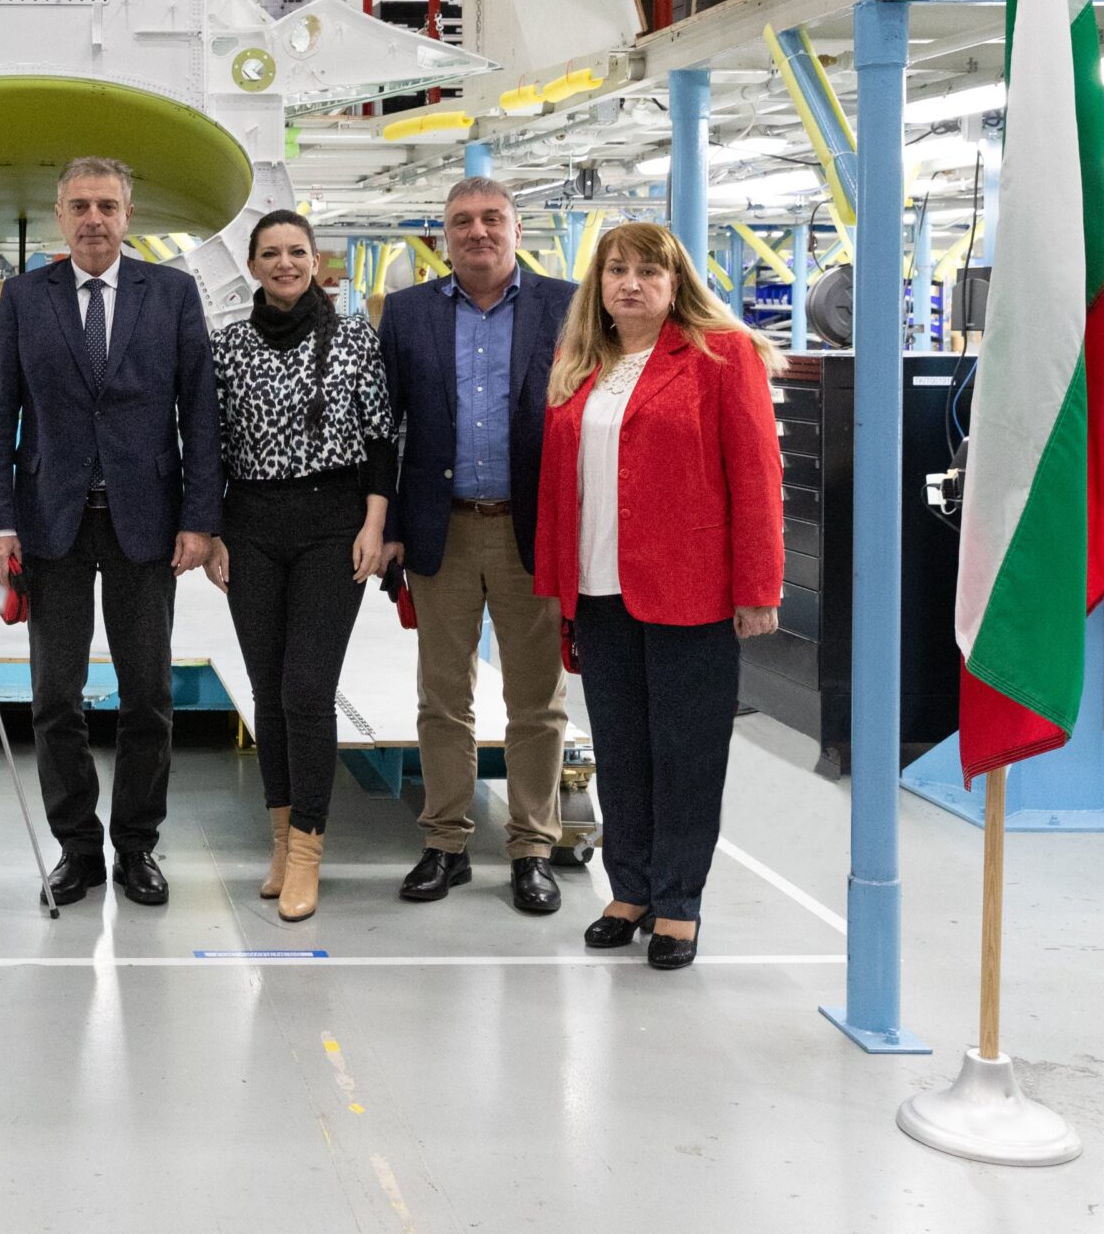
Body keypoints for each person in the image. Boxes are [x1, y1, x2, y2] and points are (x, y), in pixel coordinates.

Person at [534, 220, 783, 971]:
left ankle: (679, 902)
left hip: (692, 593)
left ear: (677, 283)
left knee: (686, 754)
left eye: (648, 270)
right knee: (622, 750)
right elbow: (559, 490)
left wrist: (758, 584)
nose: (630, 283)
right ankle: (631, 888)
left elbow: (757, 475)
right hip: (600, 590)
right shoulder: (583, 366)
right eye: (616, 270)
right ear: (598, 285)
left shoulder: (720, 356)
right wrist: (559, 590)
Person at [0, 157, 221, 907]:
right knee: (57, 696)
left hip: (145, 521)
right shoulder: (24, 298)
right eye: (80, 205)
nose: (93, 218)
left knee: (148, 695)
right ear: (59, 214)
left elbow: (200, 415)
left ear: (128, 214)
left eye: (107, 205)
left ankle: (137, 845)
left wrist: (200, 519)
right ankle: (77, 847)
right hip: (50, 522)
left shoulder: (173, 293)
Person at [376, 176, 580, 916]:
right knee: (443, 697)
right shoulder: (405, 314)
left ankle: (531, 847)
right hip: (443, 528)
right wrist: (389, 524)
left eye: (492, 218)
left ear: (516, 228)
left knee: (537, 700)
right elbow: (384, 428)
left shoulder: (568, 304)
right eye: (462, 221)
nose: (478, 232)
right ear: (444, 236)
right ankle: (446, 841)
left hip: (536, 531)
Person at [203, 211, 397, 922]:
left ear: (317, 261)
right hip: (250, 526)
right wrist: (215, 532)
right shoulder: (227, 347)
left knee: (307, 688)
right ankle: (280, 839)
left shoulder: (352, 339)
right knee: (266, 688)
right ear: (253, 266)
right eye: (271, 253)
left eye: (297, 252)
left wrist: (374, 523)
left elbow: (381, 437)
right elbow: (210, 447)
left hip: (331, 526)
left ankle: (311, 848)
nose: (285, 263)